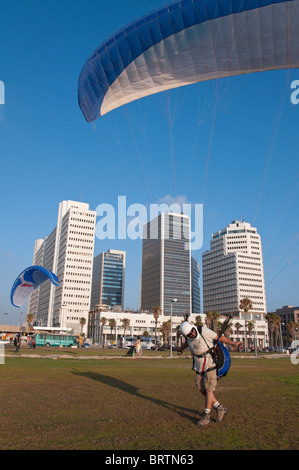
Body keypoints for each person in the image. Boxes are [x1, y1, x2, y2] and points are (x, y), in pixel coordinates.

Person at [177, 321, 242, 427]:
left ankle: (206, 415)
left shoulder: (203, 331)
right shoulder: (189, 337)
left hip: (210, 365)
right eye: (189, 334)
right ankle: (219, 408)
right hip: (198, 366)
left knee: (208, 390)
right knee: (200, 388)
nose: (192, 334)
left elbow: (219, 338)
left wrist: (233, 343)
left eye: (192, 332)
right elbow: (187, 343)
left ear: (194, 328)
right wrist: (181, 348)